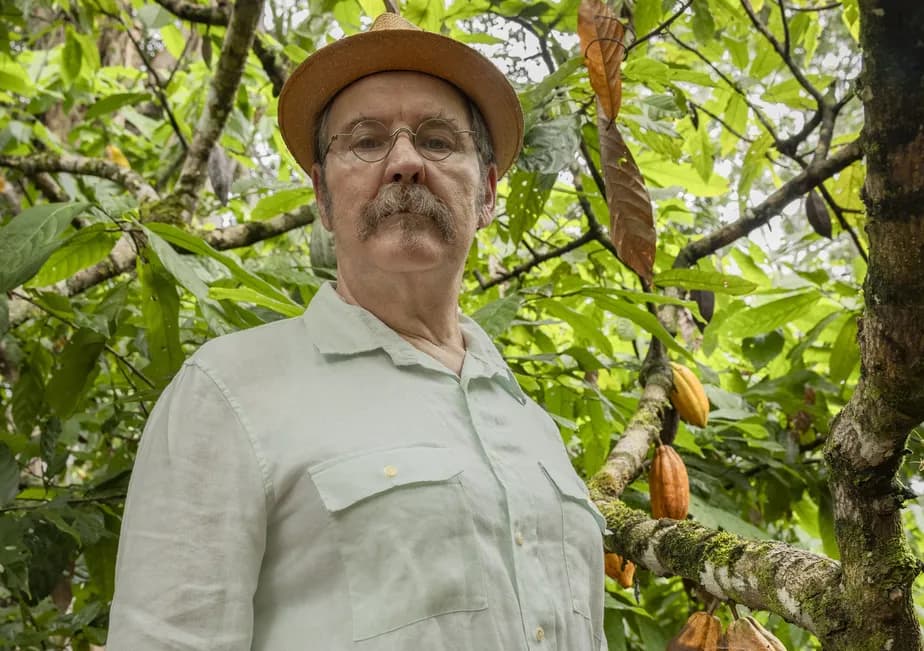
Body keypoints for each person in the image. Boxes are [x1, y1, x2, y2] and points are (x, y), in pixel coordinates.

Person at [108, 12, 608, 651]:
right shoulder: (229, 390)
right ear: (322, 197)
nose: (404, 162)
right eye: (367, 141)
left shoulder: (531, 424)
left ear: (485, 193)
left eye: (436, 139)